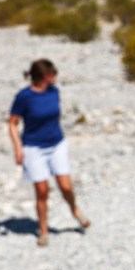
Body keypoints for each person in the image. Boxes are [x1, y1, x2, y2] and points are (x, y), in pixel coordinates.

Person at [8, 59, 90, 246]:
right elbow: (12, 123)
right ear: (44, 76)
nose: (56, 76)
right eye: (52, 73)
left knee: (66, 186)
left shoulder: (54, 92)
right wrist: (18, 148)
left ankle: (74, 210)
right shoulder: (24, 97)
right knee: (42, 191)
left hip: (57, 145)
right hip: (33, 148)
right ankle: (43, 231)